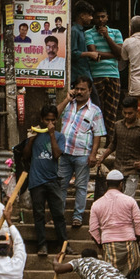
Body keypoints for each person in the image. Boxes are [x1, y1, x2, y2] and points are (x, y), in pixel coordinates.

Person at [86, 169, 140, 279]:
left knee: (112, 278)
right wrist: (137, 240)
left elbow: (93, 231)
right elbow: (139, 224)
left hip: (109, 245)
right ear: (121, 184)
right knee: (133, 276)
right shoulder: (129, 201)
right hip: (129, 242)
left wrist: (101, 245)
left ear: (107, 184)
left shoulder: (97, 204)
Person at [59, 80, 108, 227]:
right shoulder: (68, 105)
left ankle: (77, 217)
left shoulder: (95, 110)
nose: (79, 92)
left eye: (82, 89)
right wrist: (67, 99)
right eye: (77, 89)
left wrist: (93, 155)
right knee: (61, 185)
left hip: (82, 154)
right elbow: (54, 114)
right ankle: (59, 215)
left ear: (89, 91)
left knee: (81, 186)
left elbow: (98, 134)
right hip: (64, 152)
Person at [23, 111, 68, 255]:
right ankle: (42, 245)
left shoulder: (60, 136)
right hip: (36, 181)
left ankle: (64, 245)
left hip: (53, 180)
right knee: (39, 214)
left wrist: (52, 134)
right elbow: (25, 155)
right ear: (42, 119)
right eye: (47, 120)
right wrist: (31, 139)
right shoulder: (35, 135)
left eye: (53, 120)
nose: (50, 123)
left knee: (58, 214)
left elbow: (56, 154)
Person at [103, 100, 140, 198]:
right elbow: (113, 144)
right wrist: (102, 157)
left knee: (128, 198)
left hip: (133, 170)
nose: (127, 116)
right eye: (125, 113)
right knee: (115, 197)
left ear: (137, 111)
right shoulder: (118, 125)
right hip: (118, 167)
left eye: (130, 113)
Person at [84, 7, 124, 109]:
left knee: (111, 110)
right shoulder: (88, 33)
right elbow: (94, 54)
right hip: (96, 75)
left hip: (113, 75)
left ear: (107, 18)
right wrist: (114, 55)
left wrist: (107, 36)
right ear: (93, 19)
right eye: (98, 17)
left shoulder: (116, 32)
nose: (100, 20)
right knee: (96, 108)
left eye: (103, 17)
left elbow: (120, 52)